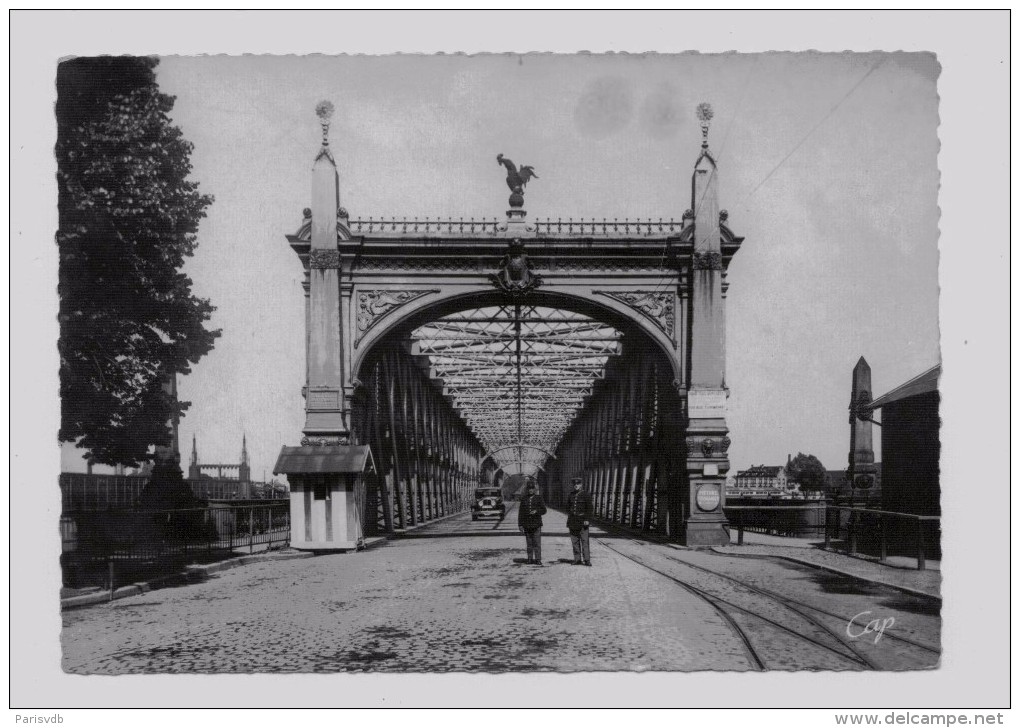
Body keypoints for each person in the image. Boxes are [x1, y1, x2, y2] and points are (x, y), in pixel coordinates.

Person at [517, 478, 547, 565]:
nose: (531, 490)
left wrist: (537, 511)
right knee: (529, 543)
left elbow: (544, 510)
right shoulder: (524, 499)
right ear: (527, 490)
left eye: (532, 489)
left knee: (537, 543)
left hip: (536, 524)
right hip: (527, 525)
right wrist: (520, 525)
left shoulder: (539, 498)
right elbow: (521, 513)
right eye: (529, 489)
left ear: (534, 489)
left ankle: (538, 559)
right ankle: (529, 559)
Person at [566, 476, 593, 566]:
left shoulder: (586, 495)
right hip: (573, 521)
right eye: (574, 484)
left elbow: (589, 508)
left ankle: (587, 560)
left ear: (581, 485)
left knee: (585, 541)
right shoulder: (571, 495)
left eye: (578, 484)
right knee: (575, 541)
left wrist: (587, 519)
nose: (576, 485)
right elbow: (567, 507)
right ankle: (577, 559)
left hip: (582, 521)